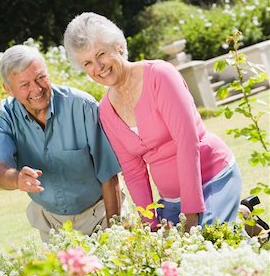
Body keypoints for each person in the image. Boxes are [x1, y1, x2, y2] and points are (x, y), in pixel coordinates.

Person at [63, 12, 243, 233]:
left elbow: (187, 144)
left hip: (213, 178)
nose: (98, 67)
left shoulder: (160, 76)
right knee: (166, 257)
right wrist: (150, 224)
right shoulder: (106, 111)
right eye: (87, 63)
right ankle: (243, 220)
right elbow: (133, 171)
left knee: (207, 242)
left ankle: (238, 221)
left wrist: (191, 214)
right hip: (171, 200)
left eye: (101, 54)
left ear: (118, 46)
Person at [0, 44, 123, 243]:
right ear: (9, 89)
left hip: (99, 214)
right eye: (24, 85)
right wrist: (17, 179)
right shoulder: (1, 119)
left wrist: (116, 232)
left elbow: (109, 176)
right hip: (51, 224)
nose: (36, 89)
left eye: (41, 77)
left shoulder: (82, 106)